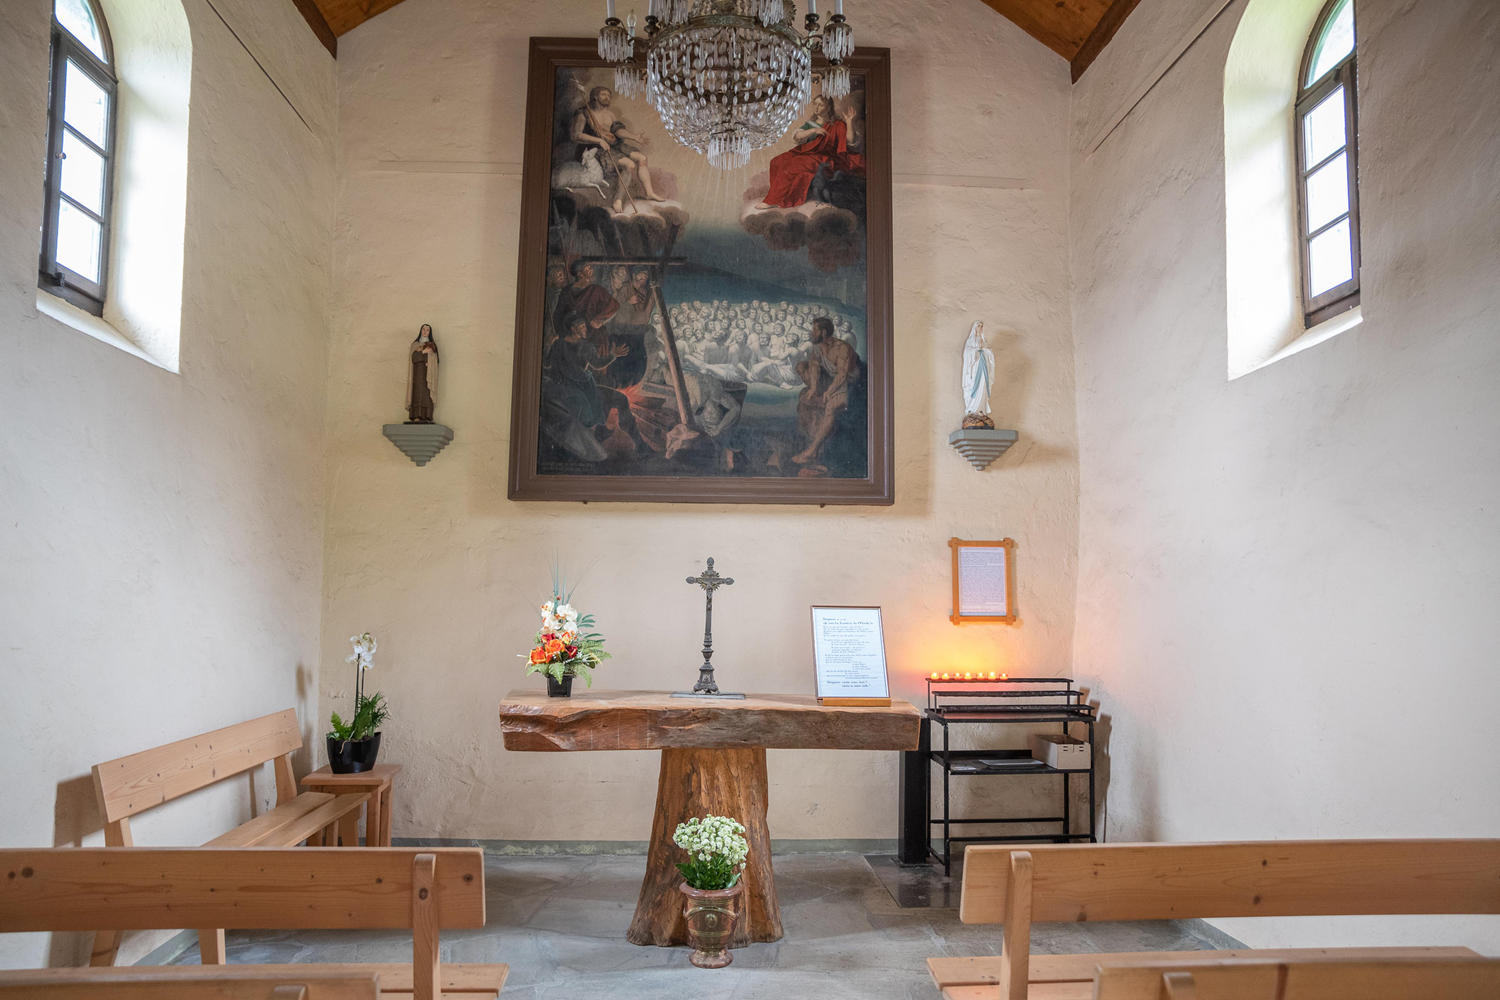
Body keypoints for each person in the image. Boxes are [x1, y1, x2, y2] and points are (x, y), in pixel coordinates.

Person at [758, 96, 865, 210]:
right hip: (806, 153)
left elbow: (850, 141)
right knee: (776, 162)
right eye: (815, 104)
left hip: (824, 157)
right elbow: (798, 136)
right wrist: (814, 130)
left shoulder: (837, 124)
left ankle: (771, 201)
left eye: (821, 105)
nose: (816, 107)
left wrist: (849, 122)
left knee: (789, 167)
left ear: (828, 108)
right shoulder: (811, 124)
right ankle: (781, 198)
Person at [571, 87, 664, 213]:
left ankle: (649, 193)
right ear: (595, 97)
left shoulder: (610, 114)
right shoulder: (584, 113)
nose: (607, 97)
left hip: (613, 144)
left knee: (642, 158)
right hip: (595, 148)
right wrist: (598, 140)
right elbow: (576, 135)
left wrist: (634, 137)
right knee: (630, 165)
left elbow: (618, 131)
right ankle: (618, 199)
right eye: (603, 94)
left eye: (609, 95)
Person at [793, 316, 862, 466]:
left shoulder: (842, 348)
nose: (812, 333)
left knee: (831, 407)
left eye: (814, 330)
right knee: (801, 367)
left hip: (850, 381)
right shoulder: (818, 347)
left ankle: (812, 451)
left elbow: (843, 375)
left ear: (823, 332)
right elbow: (814, 366)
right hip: (833, 377)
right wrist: (813, 388)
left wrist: (829, 391)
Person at [406, 324, 439, 423]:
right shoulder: (415, 345)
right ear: (420, 331)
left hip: (428, 374)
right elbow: (413, 358)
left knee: (426, 394)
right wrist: (423, 352)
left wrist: (428, 353)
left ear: (430, 332)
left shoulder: (432, 345)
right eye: (423, 329)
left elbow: (434, 361)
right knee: (417, 393)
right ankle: (416, 415)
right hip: (417, 373)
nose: (425, 331)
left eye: (427, 330)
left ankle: (427, 416)